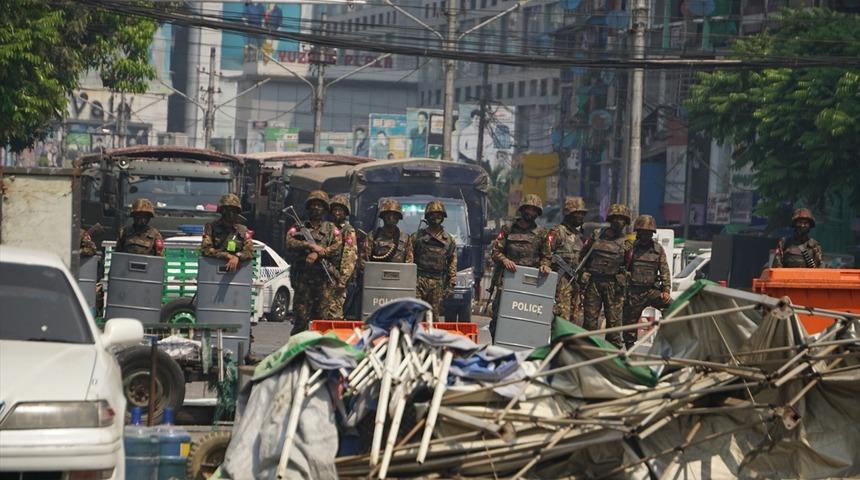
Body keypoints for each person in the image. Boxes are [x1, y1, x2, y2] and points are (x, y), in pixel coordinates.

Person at [488, 194, 551, 338]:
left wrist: (545, 265)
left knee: (527, 320)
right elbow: (495, 252)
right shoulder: (508, 229)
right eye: (528, 208)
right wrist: (505, 260)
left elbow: (546, 256)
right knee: (499, 319)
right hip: (508, 282)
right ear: (522, 209)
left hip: (530, 284)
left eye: (534, 210)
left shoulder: (542, 233)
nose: (531, 212)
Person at [285, 190, 342, 333]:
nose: (316, 208)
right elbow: (289, 242)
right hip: (303, 280)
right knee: (300, 319)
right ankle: (298, 346)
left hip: (323, 281)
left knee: (321, 321)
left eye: (319, 205)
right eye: (313, 205)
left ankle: (319, 346)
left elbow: (337, 247)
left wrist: (319, 253)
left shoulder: (331, 229)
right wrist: (309, 245)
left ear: (325, 209)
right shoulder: (299, 227)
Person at [580, 203, 632, 348]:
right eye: (616, 218)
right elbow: (583, 255)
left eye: (622, 219)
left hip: (614, 285)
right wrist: (583, 273)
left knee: (614, 324)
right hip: (594, 282)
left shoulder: (627, 243)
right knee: (590, 322)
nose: (619, 222)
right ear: (610, 219)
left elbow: (629, 265)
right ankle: (587, 350)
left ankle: (612, 352)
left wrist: (624, 278)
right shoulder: (597, 235)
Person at [622, 215, 671, 350]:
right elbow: (621, 266)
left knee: (672, 307)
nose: (646, 235)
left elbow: (664, 270)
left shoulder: (658, 249)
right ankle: (629, 349)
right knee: (629, 325)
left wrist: (666, 290)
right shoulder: (630, 247)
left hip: (651, 290)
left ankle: (669, 338)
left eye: (648, 233)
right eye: (643, 232)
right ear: (638, 232)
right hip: (634, 292)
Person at [411, 201, 457, 320]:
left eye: (439, 214)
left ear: (443, 217)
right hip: (418, 281)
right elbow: (409, 260)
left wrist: (451, 284)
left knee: (433, 316)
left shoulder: (449, 240)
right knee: (415, 315)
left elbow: (452, 262)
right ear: (427, 216)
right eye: (432, 214)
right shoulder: (417, 236)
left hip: (437, 283)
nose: (436, 217)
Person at [548, 197, 587, 325]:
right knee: (561, 319)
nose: (581, 217)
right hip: (561, 283)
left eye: (582, 214)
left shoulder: (579, 236)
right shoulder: (558, 232)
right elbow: (546, 253)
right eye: (577, 213)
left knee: (574, 320)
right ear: (568, 214)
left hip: (576, 283)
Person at [201, 194, 254, 271]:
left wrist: (237, 256)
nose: (230, 213)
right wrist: (227, 256)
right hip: (213, 269)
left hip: (237, 272)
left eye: (233, 210)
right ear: (222, 211)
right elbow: (206, 249)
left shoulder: (243, 230)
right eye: (227, 210)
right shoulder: (211, 227)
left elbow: (249, 251)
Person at [325, 194, 358, 319]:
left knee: (334, 314)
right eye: (335, 210)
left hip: (336, 276)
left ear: (345, 212)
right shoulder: (326, 228)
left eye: (340, 210)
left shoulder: (348, 230)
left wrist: (343, 280)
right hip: (323, 276)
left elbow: (349, 256)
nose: (337, 213)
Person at [362, 198, 413, 269]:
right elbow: (364, 262)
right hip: (376, 274)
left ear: (399, 217)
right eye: (388, 214)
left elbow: (409, 264)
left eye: (395, 215)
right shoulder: (373, 236)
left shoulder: (405, 238)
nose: (391, 217)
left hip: (399, 274)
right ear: (383, 216)